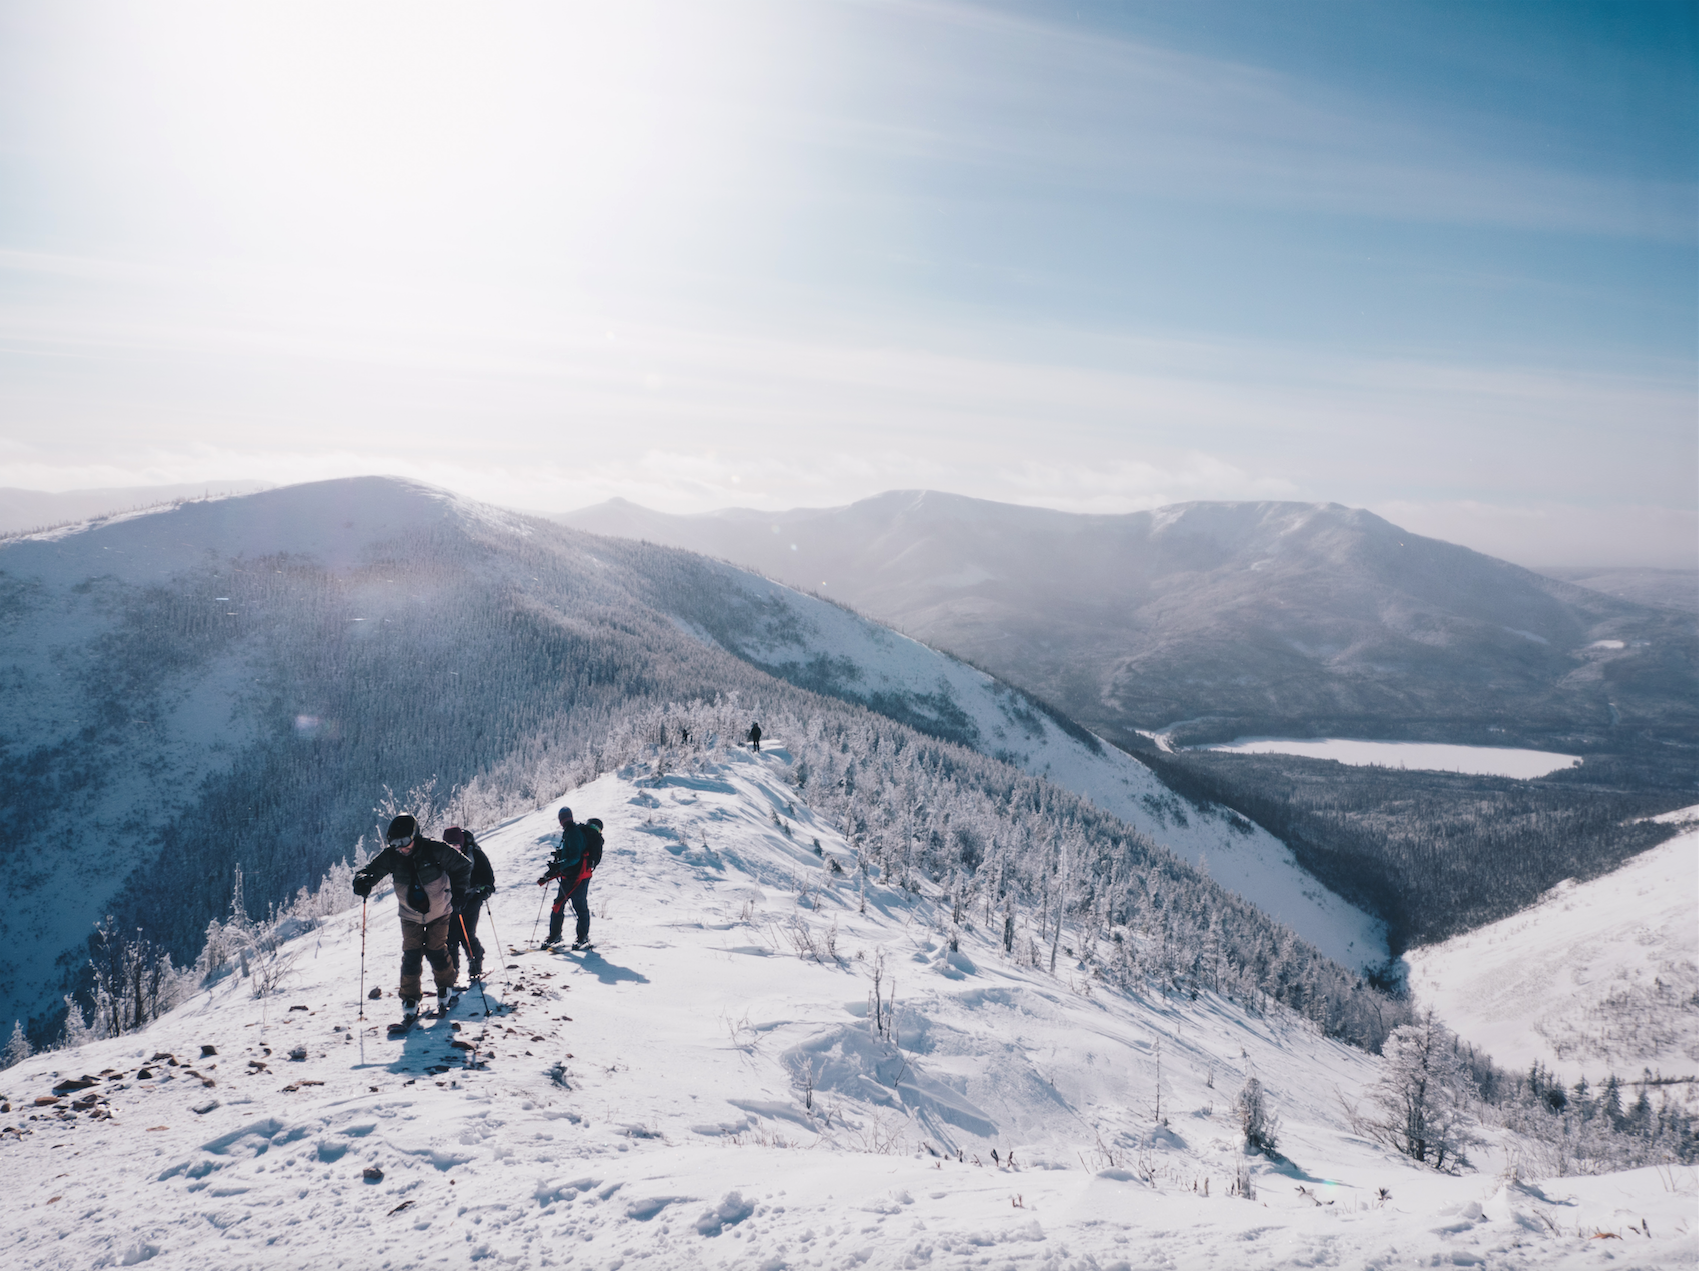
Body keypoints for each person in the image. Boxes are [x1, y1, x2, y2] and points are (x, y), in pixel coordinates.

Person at [352, 814, 472, 1023]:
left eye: (404, 841)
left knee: (436, 951)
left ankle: (445, 988)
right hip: (410, 915)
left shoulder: (435, 849)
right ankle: (410, 1000)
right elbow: (370, 871)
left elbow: (463, 865)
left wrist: (460, 892)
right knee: (411, 956)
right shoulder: (392, 855)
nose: (400, 847)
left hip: (439, 912)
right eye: (395, 843)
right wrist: (363, 881)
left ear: (415, 835)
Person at [537, 807, 605, 950]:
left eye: (564, 818)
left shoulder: (573, 832)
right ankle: (563, 936)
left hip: (579, 875)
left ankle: (578, 938)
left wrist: (560, 864)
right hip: (572, 874)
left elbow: (574, 858)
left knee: (576, 905)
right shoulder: (571, 832)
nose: (563, 820)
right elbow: (573, 853)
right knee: (561, 904)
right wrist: (560, 858)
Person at [442, 826, 495, 981]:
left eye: (456, 845)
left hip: (472, 899)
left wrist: (485, 890)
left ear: (462, 843)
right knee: (450, 938)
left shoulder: (475, 854)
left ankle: (476, 963)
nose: (454, 849)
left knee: (467, 935)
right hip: (451, 901)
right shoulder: (443, 857)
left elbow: (489, 878)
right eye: (450, 846)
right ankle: (452, 973)